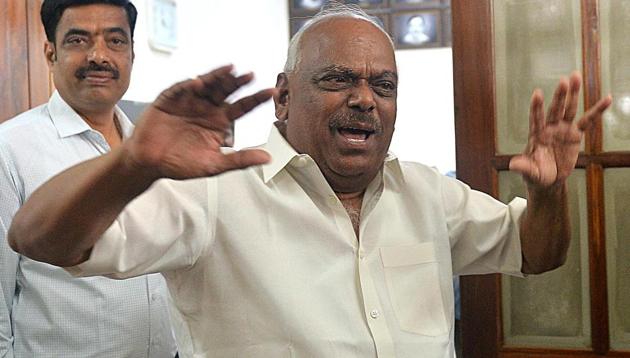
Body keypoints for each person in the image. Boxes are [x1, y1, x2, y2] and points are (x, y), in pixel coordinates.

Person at [8, 4, 612, 358]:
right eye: (338, 80)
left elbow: (537, 252)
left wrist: (549, 193)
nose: (364, 101)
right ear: (283, 97)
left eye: (383, 86)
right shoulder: (215, 195)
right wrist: (133, 162)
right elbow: (38, 239)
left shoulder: (429, 193)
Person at [0, 0, 177, 357]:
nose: (99, 55)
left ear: (131, 54)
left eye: (115, 41)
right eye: (78, 41)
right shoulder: (10, 148)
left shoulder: (153, 147)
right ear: (51, 54)